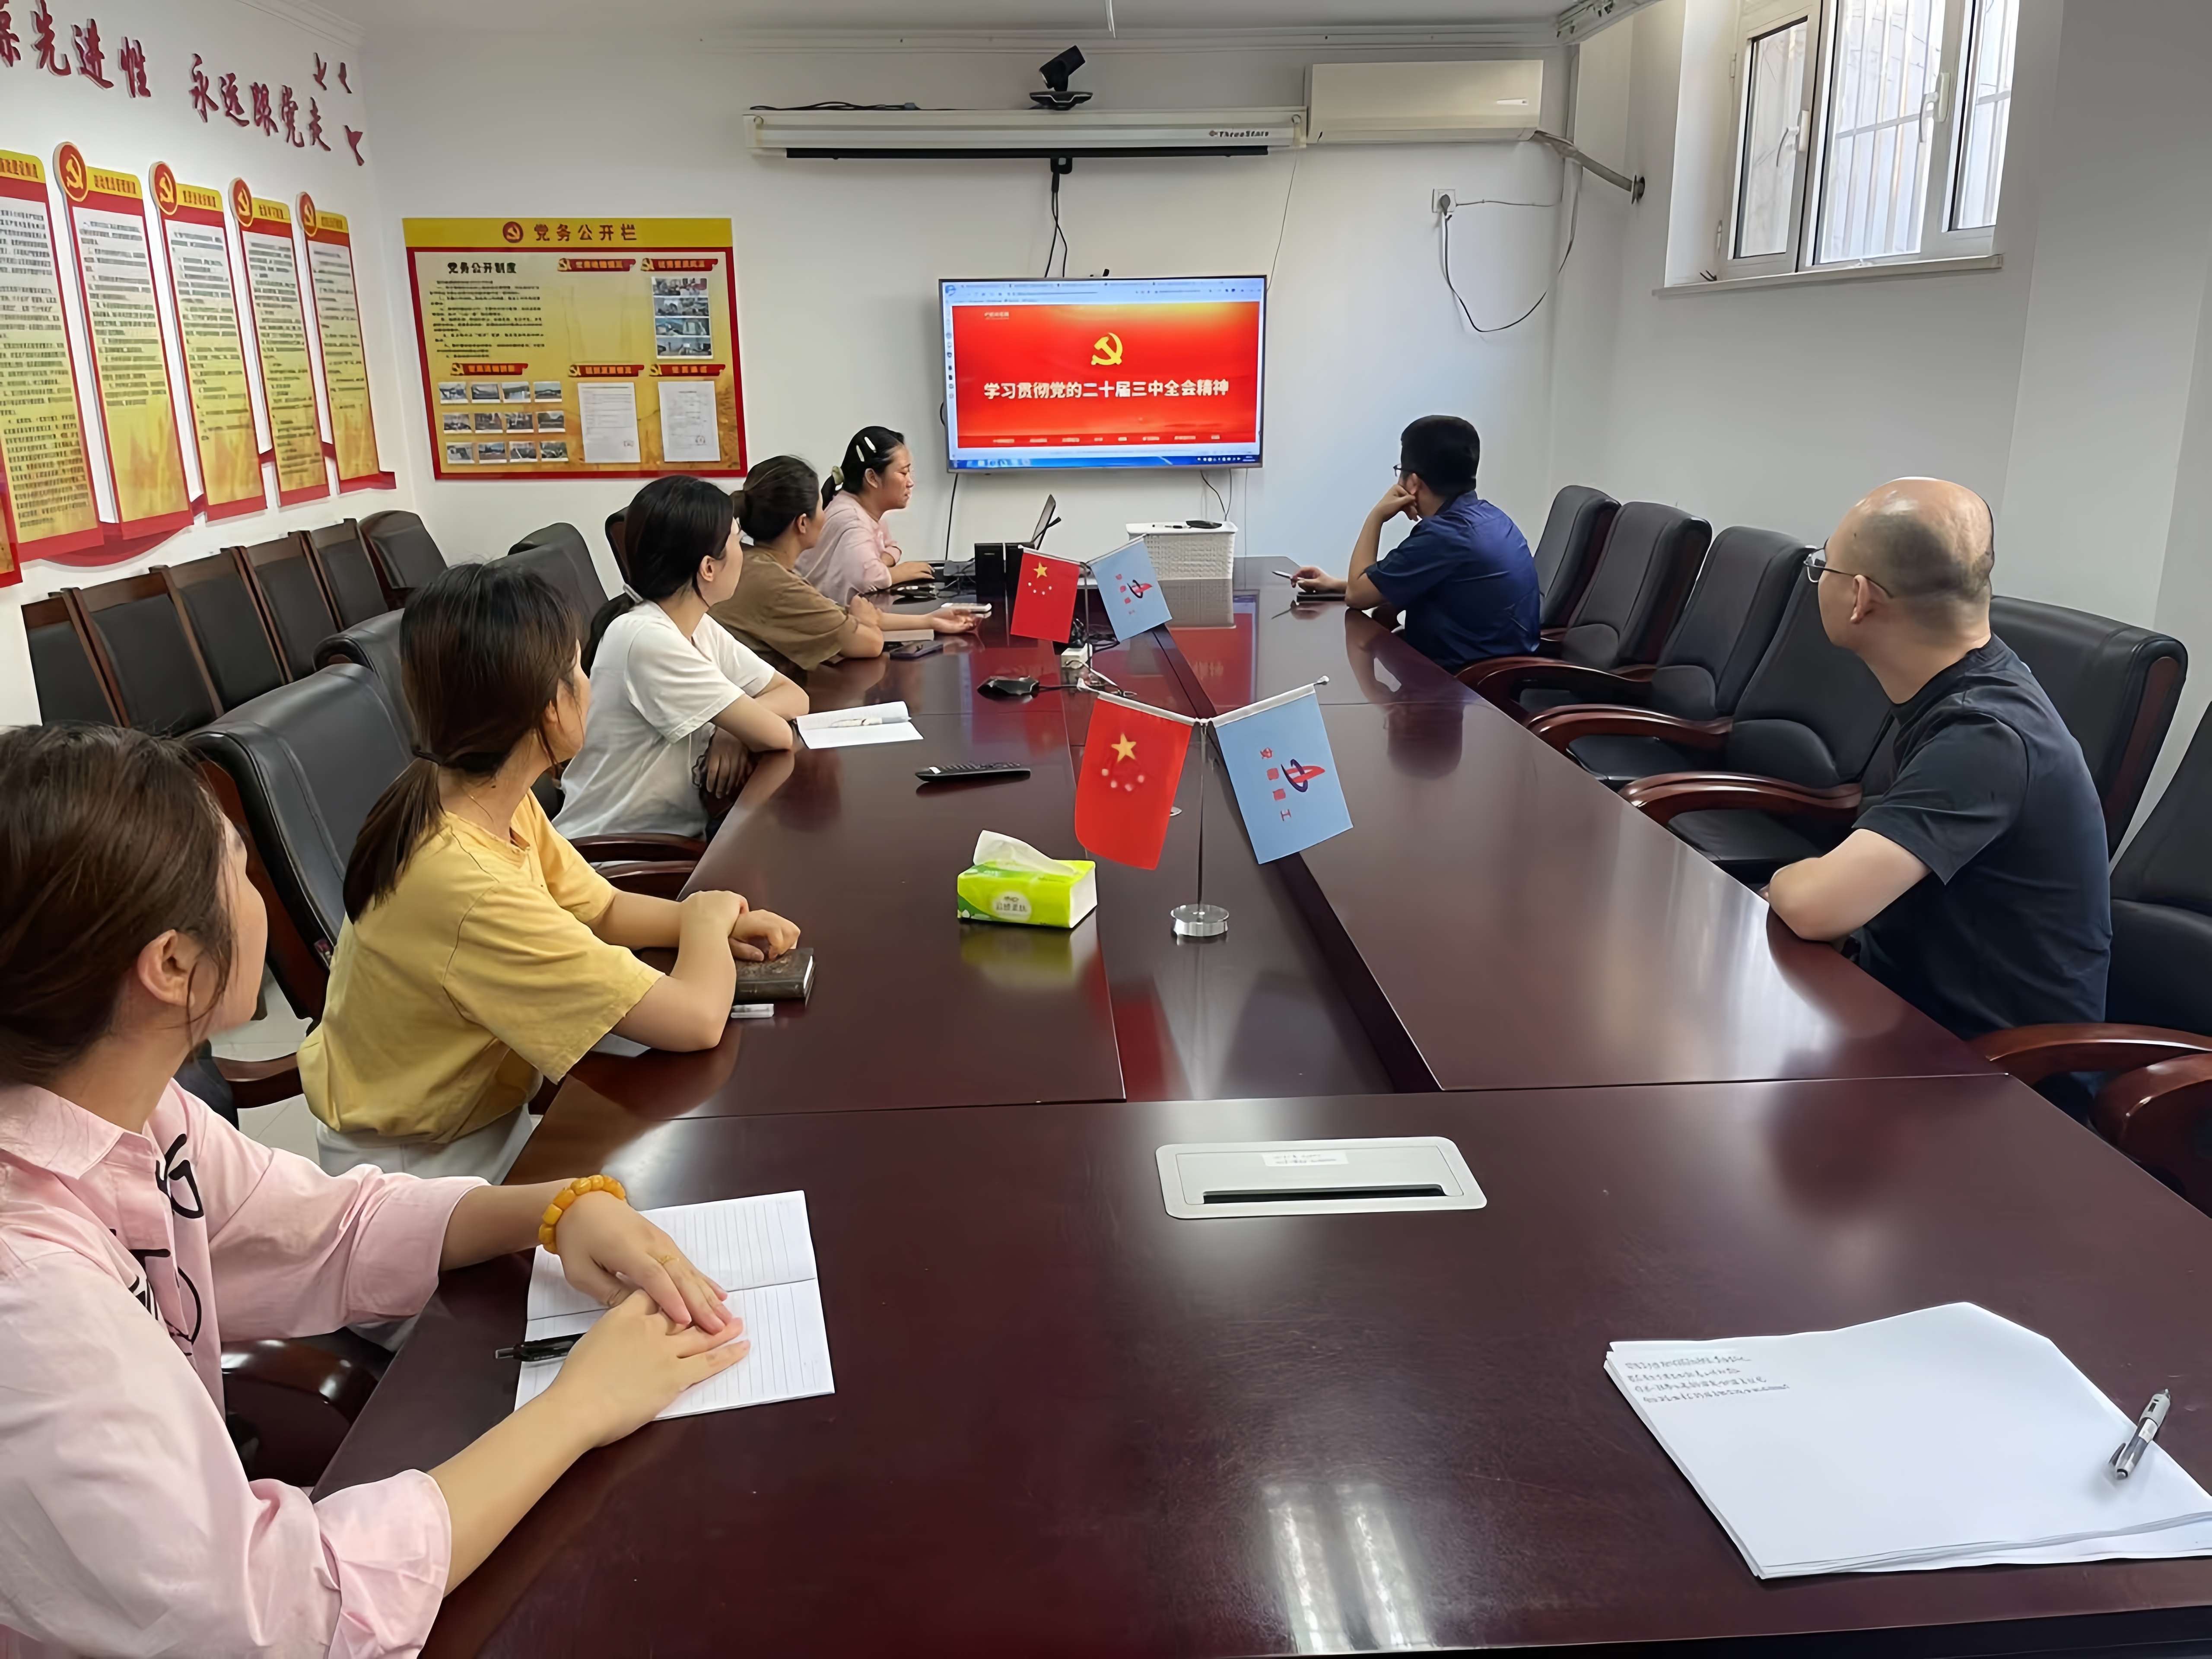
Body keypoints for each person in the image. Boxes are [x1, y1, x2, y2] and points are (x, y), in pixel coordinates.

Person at [0, 721, 749, 1656]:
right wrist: (579, 1409)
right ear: (172, 966)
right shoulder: (33, 1298)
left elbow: (323, 1226)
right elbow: (277, 1619)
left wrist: (554, 1209)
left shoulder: (127, 1112)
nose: (256, 893)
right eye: (239, 870)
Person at [299, 561, 800, 1183]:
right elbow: (695, 1021)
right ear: (547, 709)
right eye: (577, 670)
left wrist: (714, 927)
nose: (588, 687)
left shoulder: (473, 788)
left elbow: (603, 909)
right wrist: (705, 917)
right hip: (422, 1168)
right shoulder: (466, 882)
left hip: (480, 1119)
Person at [1763, 478, 2111, 1039]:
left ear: (1860, 599)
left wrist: (1785, 880)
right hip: (1899, 1010)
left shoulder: (1985, 738)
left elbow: (1814, 907)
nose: (1817, 580)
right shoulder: (1967, 685)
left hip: (1987, 1069)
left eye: (1823, 567)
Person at [557, 475, 809, 839]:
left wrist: (729, 728)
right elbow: (778, 735)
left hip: (668, 840)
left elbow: (794, 696)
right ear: (708, 568)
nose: (743, 550)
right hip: (619, 853)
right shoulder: (647, 639)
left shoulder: (694, 624)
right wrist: (739, 724)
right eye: (737, 539)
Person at [1291, 415, 1541, 672]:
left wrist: (1376, 516)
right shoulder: (1493, 518)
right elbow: (1384, 584)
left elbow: (1358, 597)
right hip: (1502, 676)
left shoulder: (1443, 535)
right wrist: (1335, 585)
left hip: (1467, 684)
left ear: (1413, 483)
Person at [713, 454, 976, 669]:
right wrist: (865, 620)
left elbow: (843, 615)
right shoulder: (779, 585)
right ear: (802, 523)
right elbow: (869, 643)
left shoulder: (748, 561)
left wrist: (930, 620)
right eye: (820, 508)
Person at [798, 426, 934, 604]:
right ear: (872, 478)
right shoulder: (852, 519)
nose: (910, 483)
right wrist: (899, 573)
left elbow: (892, 547)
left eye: (910, 472)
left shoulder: (865, 510)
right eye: (903, 473)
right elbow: (868, 579)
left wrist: (880, 563)